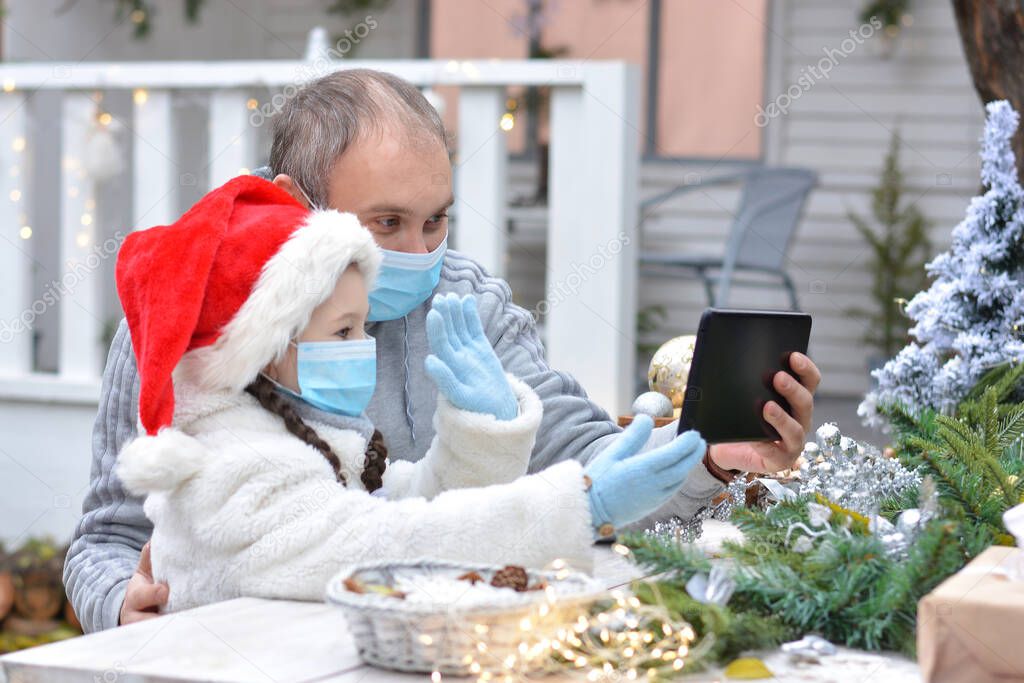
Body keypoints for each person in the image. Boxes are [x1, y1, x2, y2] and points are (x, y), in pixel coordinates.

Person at [64, 69, 821, 632]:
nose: (418, 252)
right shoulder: (190, 320)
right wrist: (118, 606)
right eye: (387, 222)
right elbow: (106, 538)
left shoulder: (467, 304)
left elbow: (584, 453)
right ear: (296, 204)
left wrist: (708, 458)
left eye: (436, 221)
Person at [111, 175, 707, 611]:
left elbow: (401, 506)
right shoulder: (237, 465)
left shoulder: (293, 432)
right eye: (343, 331)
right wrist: (581, 505)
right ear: (265, 345)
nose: (360, 344)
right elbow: (391, 545)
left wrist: (478, 433)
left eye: (362, 327)